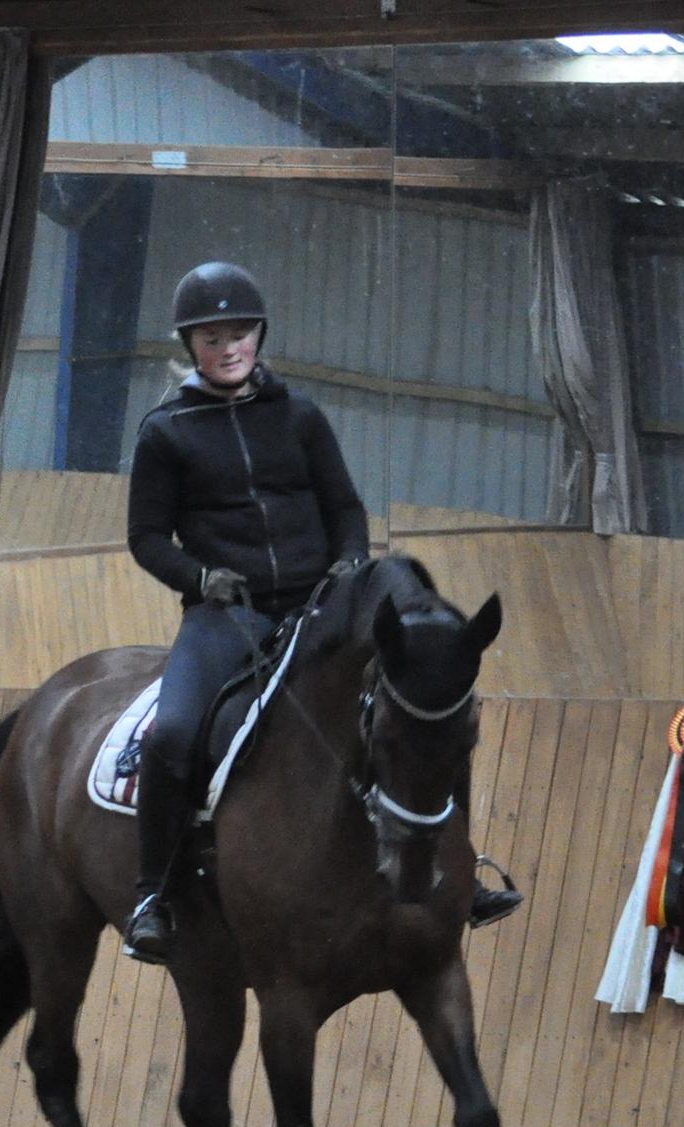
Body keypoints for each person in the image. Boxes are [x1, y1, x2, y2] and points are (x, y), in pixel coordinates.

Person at [122, 261, 520, 963]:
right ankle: (152, 893)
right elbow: (147, 537)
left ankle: (464, 869)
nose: (228, 347)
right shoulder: (166, 432)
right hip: (227, 613)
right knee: (174, 732)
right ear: (191, 346)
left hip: (315, 605)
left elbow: (342, 505)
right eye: (212, 338)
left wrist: (346, 560)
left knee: (424, 703)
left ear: (258, 336)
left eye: (239, 333)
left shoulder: (299, 416)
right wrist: (199, 576)